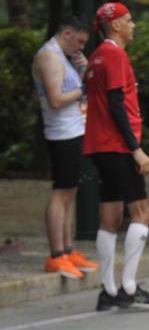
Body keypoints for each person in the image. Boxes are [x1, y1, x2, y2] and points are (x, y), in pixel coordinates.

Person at [83, 2, 149, 311]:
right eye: (129, 20)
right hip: (117, 146)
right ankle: (128, 286)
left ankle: (109, 289)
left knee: (110, 218)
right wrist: (136, 149)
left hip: (100, 146)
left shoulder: (96, 56)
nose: (133, 25)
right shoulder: (114, 55)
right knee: (141, 212)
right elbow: (117, 105)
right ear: (115, 25)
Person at [32, 14, 99, 279]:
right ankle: (56, 254)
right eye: (79, 41)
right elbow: (56, 99)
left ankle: (67, 249)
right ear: (67, 33)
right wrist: (86, 88)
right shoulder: (49, 56)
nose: (80, 47)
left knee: (70, 193)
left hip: (74, 130)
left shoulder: (63, 57)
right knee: (62, 192)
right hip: (62, 133)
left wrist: (82, 72)